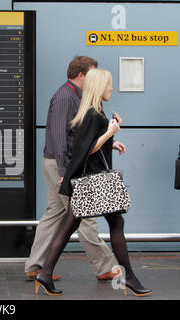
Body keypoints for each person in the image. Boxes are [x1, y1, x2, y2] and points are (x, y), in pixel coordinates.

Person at [35, 68, 152, 297]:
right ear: (99, 87)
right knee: (116, 225)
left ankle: (45, 274)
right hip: (95, 182)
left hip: (88, 182)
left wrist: (111, 139)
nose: (111, 88)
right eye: (108, 84)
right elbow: (88, 148)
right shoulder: (93, 114)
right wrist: (110, 132)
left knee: (69, 227)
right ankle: (129, 277)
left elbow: (87, 144)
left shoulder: (92, 111)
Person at [25, 56, 119, 281]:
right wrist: (64, 171)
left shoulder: (75, 97)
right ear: (81, 76)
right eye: (93, 74)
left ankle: (35, 265)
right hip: (63, 164)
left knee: (55, 213)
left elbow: (76, 137)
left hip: (62, 163)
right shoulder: (65, 98)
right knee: (85, 215)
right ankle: (105, 266)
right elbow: (58, 138)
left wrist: (109, 143)